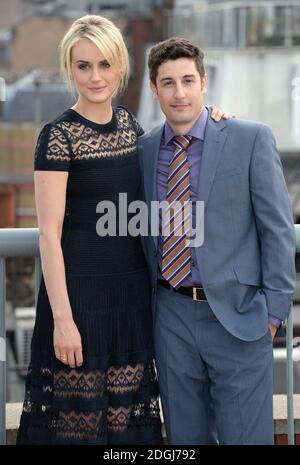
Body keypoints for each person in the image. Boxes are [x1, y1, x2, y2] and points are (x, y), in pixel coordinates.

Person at [16, 16, 227, 445]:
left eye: (105, 64)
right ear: (69, 69)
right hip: (80, 305)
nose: (96, 77)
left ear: (121, 66)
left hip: (131, 302)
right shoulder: (57, 137)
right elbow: (48, 236)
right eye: (84, 66)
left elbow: (183, 141)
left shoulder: (133, 130)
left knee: (129, 434)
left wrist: (216, 117)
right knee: (77, 431)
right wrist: (62, 320)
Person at [138, 37, 296, 445]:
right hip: (170, 318)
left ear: (204, 83)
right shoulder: (144, 149)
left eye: (188, 80)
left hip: (240, 318)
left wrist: (273, 312)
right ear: (153, 89)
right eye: (168, 83)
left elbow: (277, 229)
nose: (180, 93)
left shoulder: (250, 138)